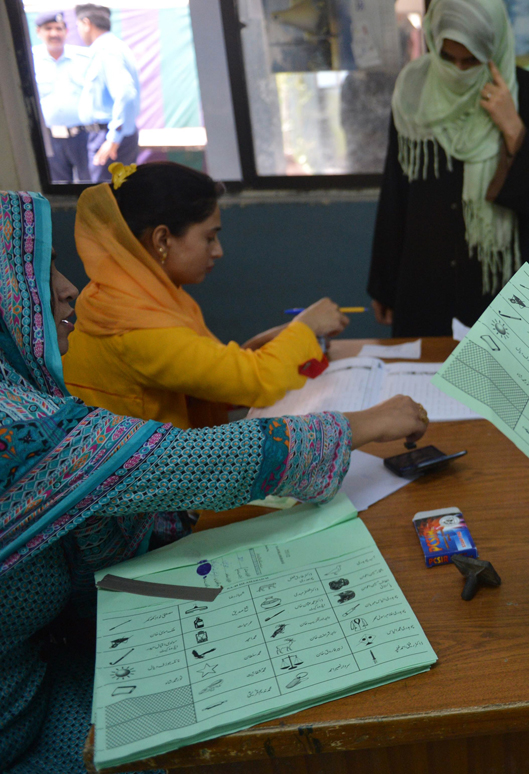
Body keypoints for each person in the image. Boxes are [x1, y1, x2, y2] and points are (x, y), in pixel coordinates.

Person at [0, 190, 429, 772]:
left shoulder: (137, 305)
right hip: (25, 722)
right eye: (40, 278)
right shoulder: (27, 425)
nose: (69, 290)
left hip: (54, 659)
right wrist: (356, 423)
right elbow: (178, 458)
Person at [61, 162, 348, 429]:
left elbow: (210, 377)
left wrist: (284, 337)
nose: (218, 251)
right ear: (163, 240)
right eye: (209, 238)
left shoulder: (120, 292)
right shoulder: (132, 323)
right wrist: (306, 327)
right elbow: (254, 382)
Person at [367, 0, 529, 337]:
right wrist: (384, 284)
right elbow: (395, 192)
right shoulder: (414, 91)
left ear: (494, 48)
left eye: (472, 60)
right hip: (423, 287)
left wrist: (513, 129)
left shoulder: (526, 94)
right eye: (447, 57)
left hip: (502, 294)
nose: (459, 70)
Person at [75, 4, 140, 183]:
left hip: (108, 136)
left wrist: (113, 137)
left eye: (78, 25)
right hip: (111, 134)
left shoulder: (106, 50)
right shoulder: (114, 46)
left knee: (105, 201)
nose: (78, 31)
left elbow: (126, 93)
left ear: (86, 23)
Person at [31, 12, 92, 184]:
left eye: (59, 28)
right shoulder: (30, 60)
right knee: (56, 189)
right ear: (38, 32)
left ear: (66, 31)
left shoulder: (84, 58)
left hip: (83, 136)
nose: (54, 33)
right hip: (49, 138)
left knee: (91, 188)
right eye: (48, 29)